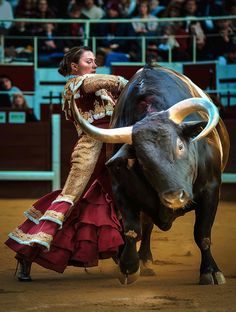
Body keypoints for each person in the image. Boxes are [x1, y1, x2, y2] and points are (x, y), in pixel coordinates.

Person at [5, 46, 128, 281]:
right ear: (75, 67)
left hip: (112, 150)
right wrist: (126, 81)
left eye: (95, 62)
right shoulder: (74, 84)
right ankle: (26, 253)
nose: (94, 65)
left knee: (115, 199)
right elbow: (97, 82)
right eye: (89, 61)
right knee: (69, 201)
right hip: (90, 150)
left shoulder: (101, 89)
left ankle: (123, 251)